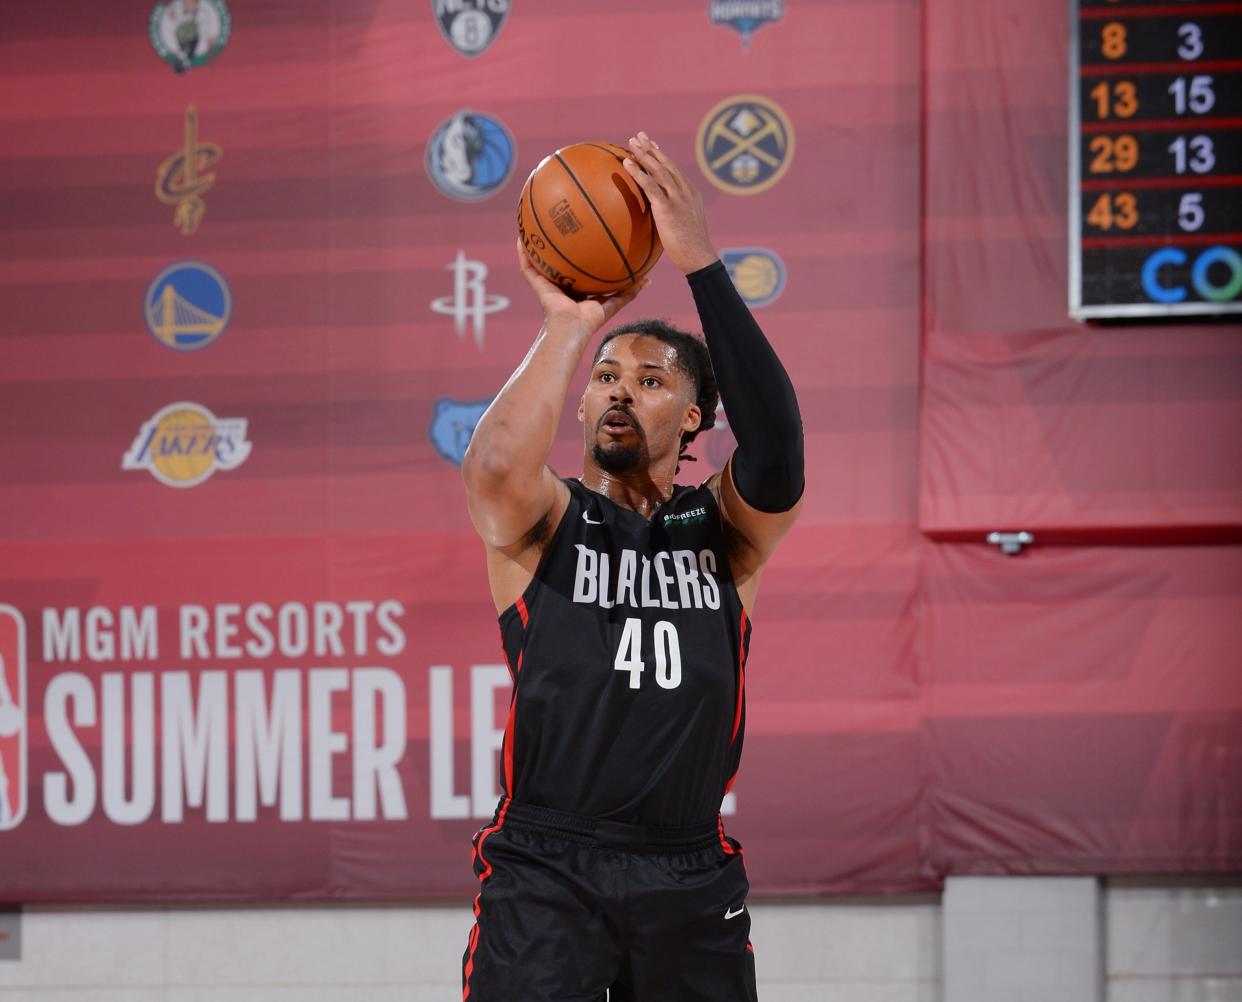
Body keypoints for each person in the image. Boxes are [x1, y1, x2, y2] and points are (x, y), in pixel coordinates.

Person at [459, 131, 804, 1002]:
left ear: (696, 419)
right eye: (607, 376)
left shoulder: (719, 531)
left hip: (687, 870)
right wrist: (572, 323)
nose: (620, 388)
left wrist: (700, 263)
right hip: (548, 864)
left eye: (651, 381)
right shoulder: (548, 521)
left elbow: (779, 457)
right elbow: (496, 467)